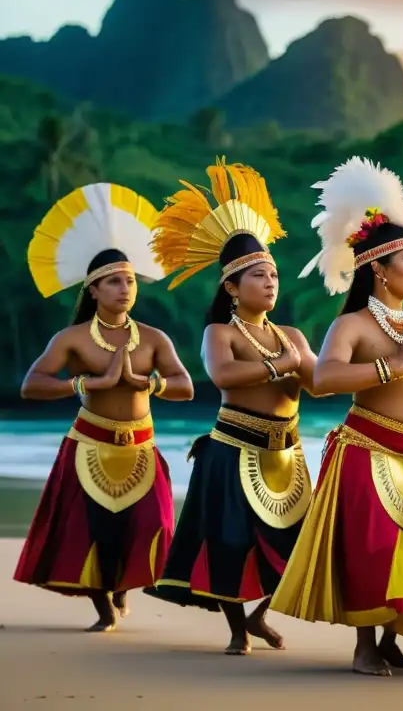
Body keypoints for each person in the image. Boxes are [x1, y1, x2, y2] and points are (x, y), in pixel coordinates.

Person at [270, 156, 403, 676]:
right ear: (380, 270)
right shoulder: (354, 326)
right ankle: (364, 645)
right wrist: (395, 365)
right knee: (371, 549)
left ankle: (389, 640)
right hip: (365, 448)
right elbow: (324, 379)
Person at [145, 159, 319, 656]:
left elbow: (319, 383)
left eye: (274, 274)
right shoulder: (218, 333)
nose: (270, 282)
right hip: (232, 450)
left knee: (300, 546)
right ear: (231, 287)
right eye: (258, 275)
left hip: (287, 452)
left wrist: (371, 366)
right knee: (227, 543)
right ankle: (238, 628)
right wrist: (279, 365)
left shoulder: (293, 335)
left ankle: (261, 617)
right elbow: (221, 376)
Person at [16, 182, 194, 632]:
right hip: (89, 446)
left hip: (141, 447)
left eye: (130, 280)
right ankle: (104, 608)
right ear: (93, 290)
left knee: (151, 523)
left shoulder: (154, 338)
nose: (125, 288)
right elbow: (31, 385)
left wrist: (145, 383)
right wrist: (87, 382)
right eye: (114, 281)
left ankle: (121, 589)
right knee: (92, 530)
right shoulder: (72, 339)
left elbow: (186, 386)